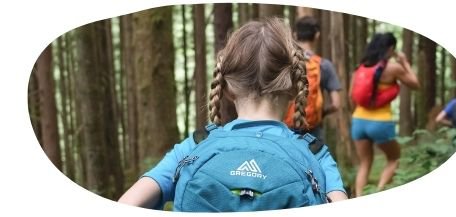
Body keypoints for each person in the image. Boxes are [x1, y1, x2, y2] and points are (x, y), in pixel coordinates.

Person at [118, 18, 347, 211]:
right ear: (294, 88)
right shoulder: (316, 154)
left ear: (226, 88)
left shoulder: (195, 146)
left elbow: (127, 203)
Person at [349, 32, 420, 197]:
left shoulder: (360, 67)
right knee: (394, 158)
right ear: (390, 49)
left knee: (365, 162)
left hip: (358, 120)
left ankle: (358, 197)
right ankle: (379, 192)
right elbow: (415, 84)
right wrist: (404, 62)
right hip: (380, 122)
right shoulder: (392, 68)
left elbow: (350, 96)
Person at [284, 16, 342, 140]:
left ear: (294, 35)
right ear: (317, 35)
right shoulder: (324, 65)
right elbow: (336, 104)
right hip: (312, 129)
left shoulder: (284, 63)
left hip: (285, 128)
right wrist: (320, 114)